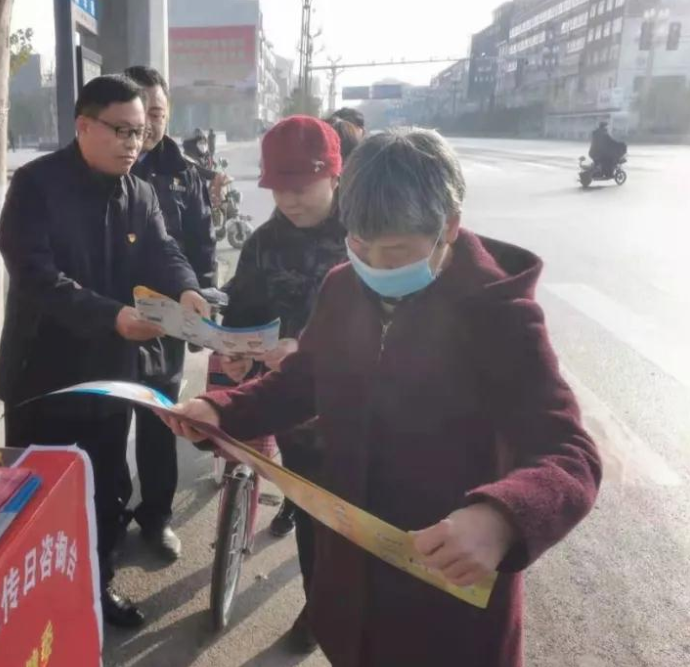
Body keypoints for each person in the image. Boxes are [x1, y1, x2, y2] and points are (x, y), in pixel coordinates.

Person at [164, 128, 602, 666]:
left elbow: (569, 453)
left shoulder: (499, 316)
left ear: (448, 227)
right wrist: (222, 409)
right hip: (352, 579)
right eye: (358, 245)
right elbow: (303, 381)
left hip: (445, 590)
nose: (374, 266)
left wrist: (502, 518)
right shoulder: (343, 287)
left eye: (394, 252)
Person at [0, 74, 207, 630]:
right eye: (121, 130)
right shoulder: (36, 185)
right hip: (43, 379)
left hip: (110, 378)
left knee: (106, 489)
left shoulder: (140, 192)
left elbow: (163, 250)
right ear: (83, 126)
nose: (134, 143)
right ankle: (33, 602)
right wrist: (111, 316)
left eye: (140, 131)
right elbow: (35, 276)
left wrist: (187, 288)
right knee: (38, 493)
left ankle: (96, 585)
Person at [218, 115, 348, 654]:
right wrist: (234, 349)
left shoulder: (369, 236)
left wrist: (308, 348)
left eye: (302, 185)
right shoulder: (265, 243)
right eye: (279, 187)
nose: (290, 199)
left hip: (366, 412)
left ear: (334, 174)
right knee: (315, 521)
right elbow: (244, 306)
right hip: (298, 417)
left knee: (366, 527)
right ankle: (319, 609)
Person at [123, 65, 217, 562]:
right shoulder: (109, 164)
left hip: (168, 319)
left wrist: (202, 310)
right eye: (142, 114)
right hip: (113, 318)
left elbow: (202, 245)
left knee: (161, 419)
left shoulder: (185, 172)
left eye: (158, 113)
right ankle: (108, 514)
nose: (150, 125)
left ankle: (156, 517)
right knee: (107, 418)